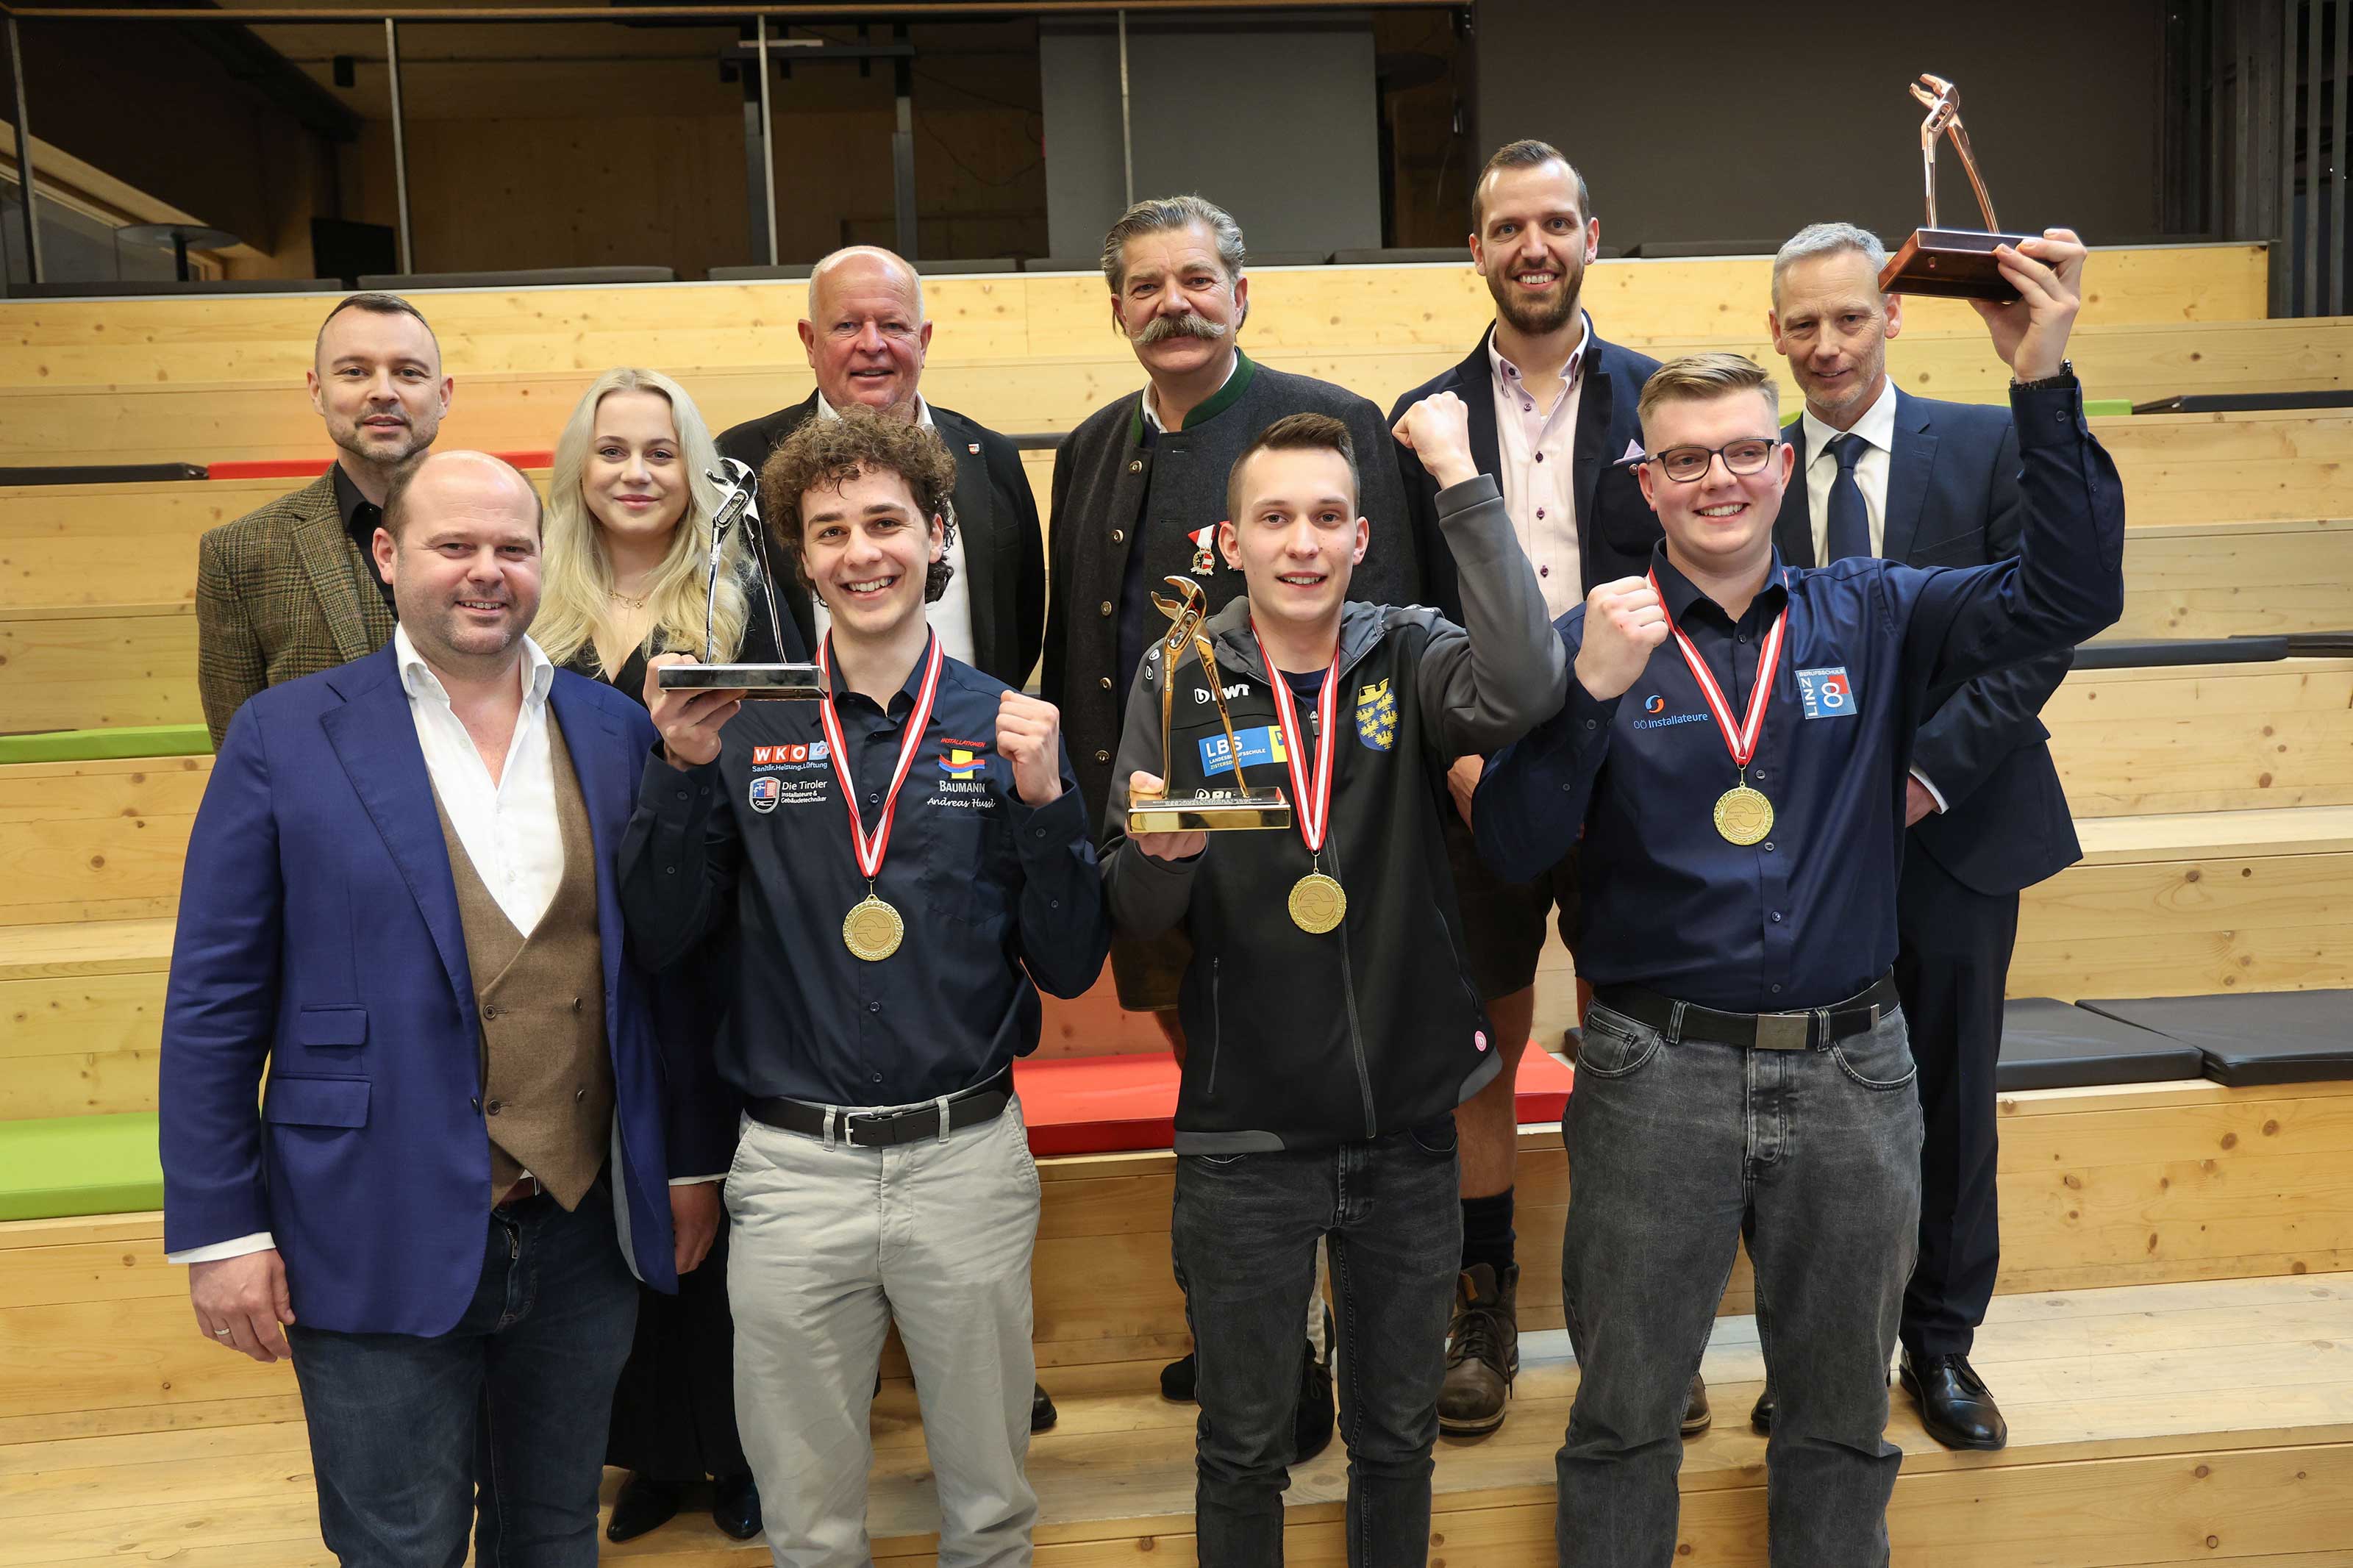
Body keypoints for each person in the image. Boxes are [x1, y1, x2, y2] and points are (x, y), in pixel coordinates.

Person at [1474, 233, 2118, 1568]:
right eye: (1685, 459)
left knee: (1837, 1422)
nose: (1718, 478)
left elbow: (2073, 592)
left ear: (1782, 464)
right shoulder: (1599, 635)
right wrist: (1583, 694)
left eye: (1741, 452)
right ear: (1644, 482)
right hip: (1657, 1074)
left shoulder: (1870, 609)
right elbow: (1517, 841)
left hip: (1852, 1070)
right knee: (1625, 1418)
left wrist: (2043, 382)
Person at [160, 450, 729, 1568]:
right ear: (387, 556)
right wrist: (224, 1231)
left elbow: (662, 974)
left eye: (512, 549)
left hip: (577, 1232)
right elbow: (215, 1001)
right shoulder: (283, 734)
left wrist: (687, 1163)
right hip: (365, 1219)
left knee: (554, 1533)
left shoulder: (617, 733)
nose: (487, 573)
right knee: (398, 1544)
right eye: (453, 546)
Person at [621, 409, 1110, 1568]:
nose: (861, 552)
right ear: (799, 555)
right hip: (792, 1172)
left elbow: (1076, 961)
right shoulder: (738, 727)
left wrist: (1047, 811)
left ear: (937, 535)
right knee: (807, 1526)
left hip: (966, 1163)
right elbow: (659, 932)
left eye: (886, 521)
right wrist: (681, 775)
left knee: (989, 1513)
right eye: (829, 530)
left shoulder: (1011, 725)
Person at [1099, 397, 1566, 1567]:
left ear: (1361, 539)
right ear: (1232, 541)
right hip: (1245, 1142)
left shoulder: (1407, 652)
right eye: (1275, 518)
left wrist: (1458, 476)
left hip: (1409, 1134)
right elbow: (1134, 900)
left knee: (1398, 1442)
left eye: (1326, 518)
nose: (1301, 541)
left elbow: (1525, 684)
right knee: (1244, 1446)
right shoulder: (1180, 670)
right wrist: (1162, 864)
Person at [1043, 193, 1419, 1436]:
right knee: (1207, 1070)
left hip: (1309, 848)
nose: (1174, 304)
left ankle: (1312, 1344)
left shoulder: (1324, 428)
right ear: (1117, 310)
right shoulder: (1093, 444)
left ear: (1241, 294)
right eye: (1146, 286)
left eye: (1197, 280)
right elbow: (1085, 649)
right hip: (1162, 839)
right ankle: (1257, 1332)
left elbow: (1393, 656)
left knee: (1303, 1083)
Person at [1738, 221, 2078, 1452]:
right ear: (1775, 334)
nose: (1825, 344)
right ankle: (1814, 1349)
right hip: (1796, 858)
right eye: (1802, 323)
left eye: (1847, 317)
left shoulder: (1984, 441)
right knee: (1795, 1112)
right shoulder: (1747, 469)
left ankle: (1940, 1347)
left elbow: (2037, 631)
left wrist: (1924, 776)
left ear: (1891, 318)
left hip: (1959, 828)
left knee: (1950, 1097)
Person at [1387, 138, 1672, 1439]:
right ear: (1478, 249)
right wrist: (1448, 752)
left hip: (1641, 777)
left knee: (1633, 1059)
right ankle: (1483, 1305)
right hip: (1478, 778)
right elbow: (1397, 611)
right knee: (1480, 1057)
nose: (1534, 246)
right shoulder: (1422, 419)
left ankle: (1637, 1327)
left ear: (1593, 234)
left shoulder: (1663, 401)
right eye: (1508, 226)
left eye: (1556, 221)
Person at [537, 367, 773, 1542]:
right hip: (575, 949)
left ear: (695, 472)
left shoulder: (743, 599)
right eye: (613, 449)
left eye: (661, 452)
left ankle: (735, 1452)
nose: (636, 472)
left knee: (715, 1193)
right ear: (579, 468)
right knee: (609, 1204)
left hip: (713, 942)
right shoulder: (532, 609)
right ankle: (651, 1453)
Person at [714, 243, 1045, 687]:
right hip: (804, 746)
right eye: (847, 326)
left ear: (923, 340)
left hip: (970, 745)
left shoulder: (990, 456)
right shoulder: (742, 461)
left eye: (893, 325)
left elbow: (1021, 618)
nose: (872, 345)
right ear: (811, 342)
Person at [195, 291, 451, 747]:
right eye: (354, 372)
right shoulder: (239, 554)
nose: (383, 391)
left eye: (408, 373)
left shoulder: (525, 537)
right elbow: (242, 757)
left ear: (443, 394)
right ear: (317, 391)